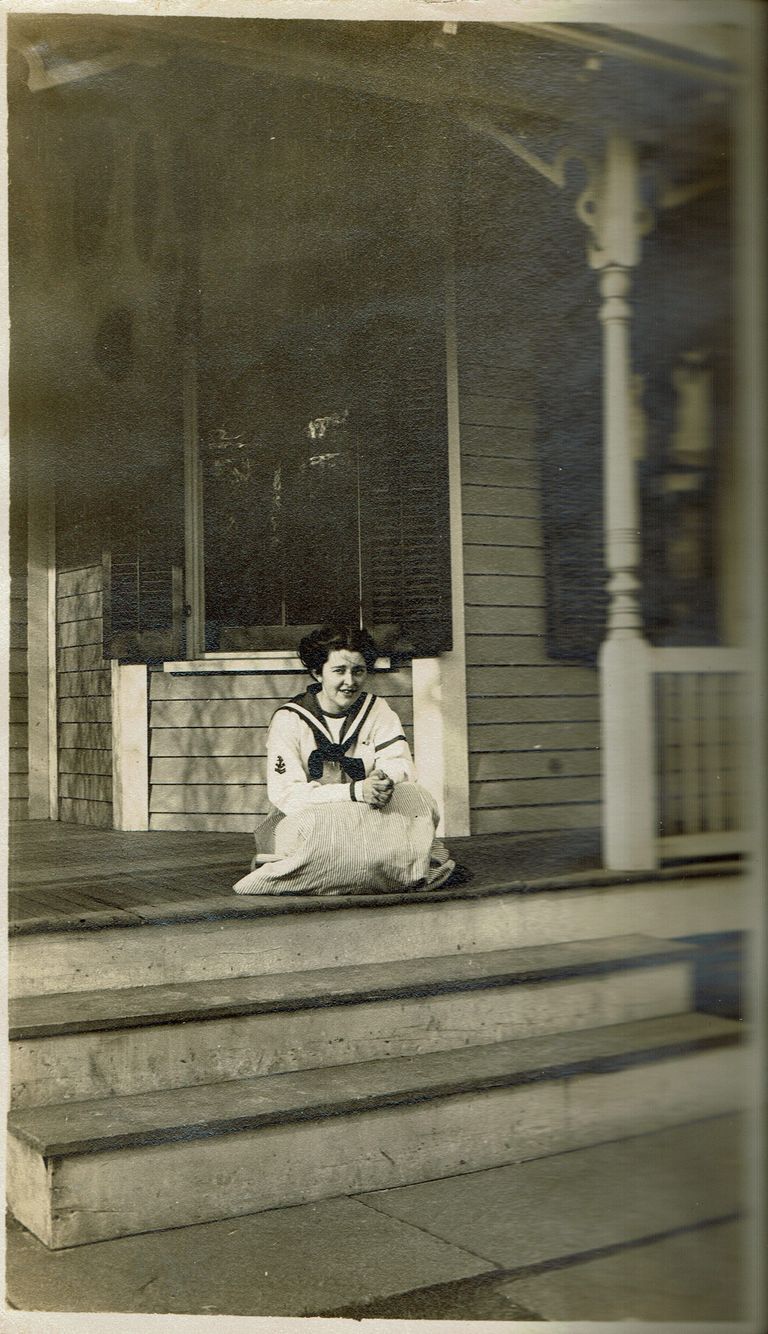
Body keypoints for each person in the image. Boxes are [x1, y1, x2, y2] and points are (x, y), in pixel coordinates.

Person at [232, 623, 455, 895]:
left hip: (368, 812)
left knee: (416, 797)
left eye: (358, 671)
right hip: (310, 815)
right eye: (339, 671)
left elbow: (401, 763)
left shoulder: (376, 709)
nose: (350, 682)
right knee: (324, 832)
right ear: (317, 672)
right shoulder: (289, 718)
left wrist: (383, 778)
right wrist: (355, 791)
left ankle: (352, 866)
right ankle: (385, 864)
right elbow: (287, 794)